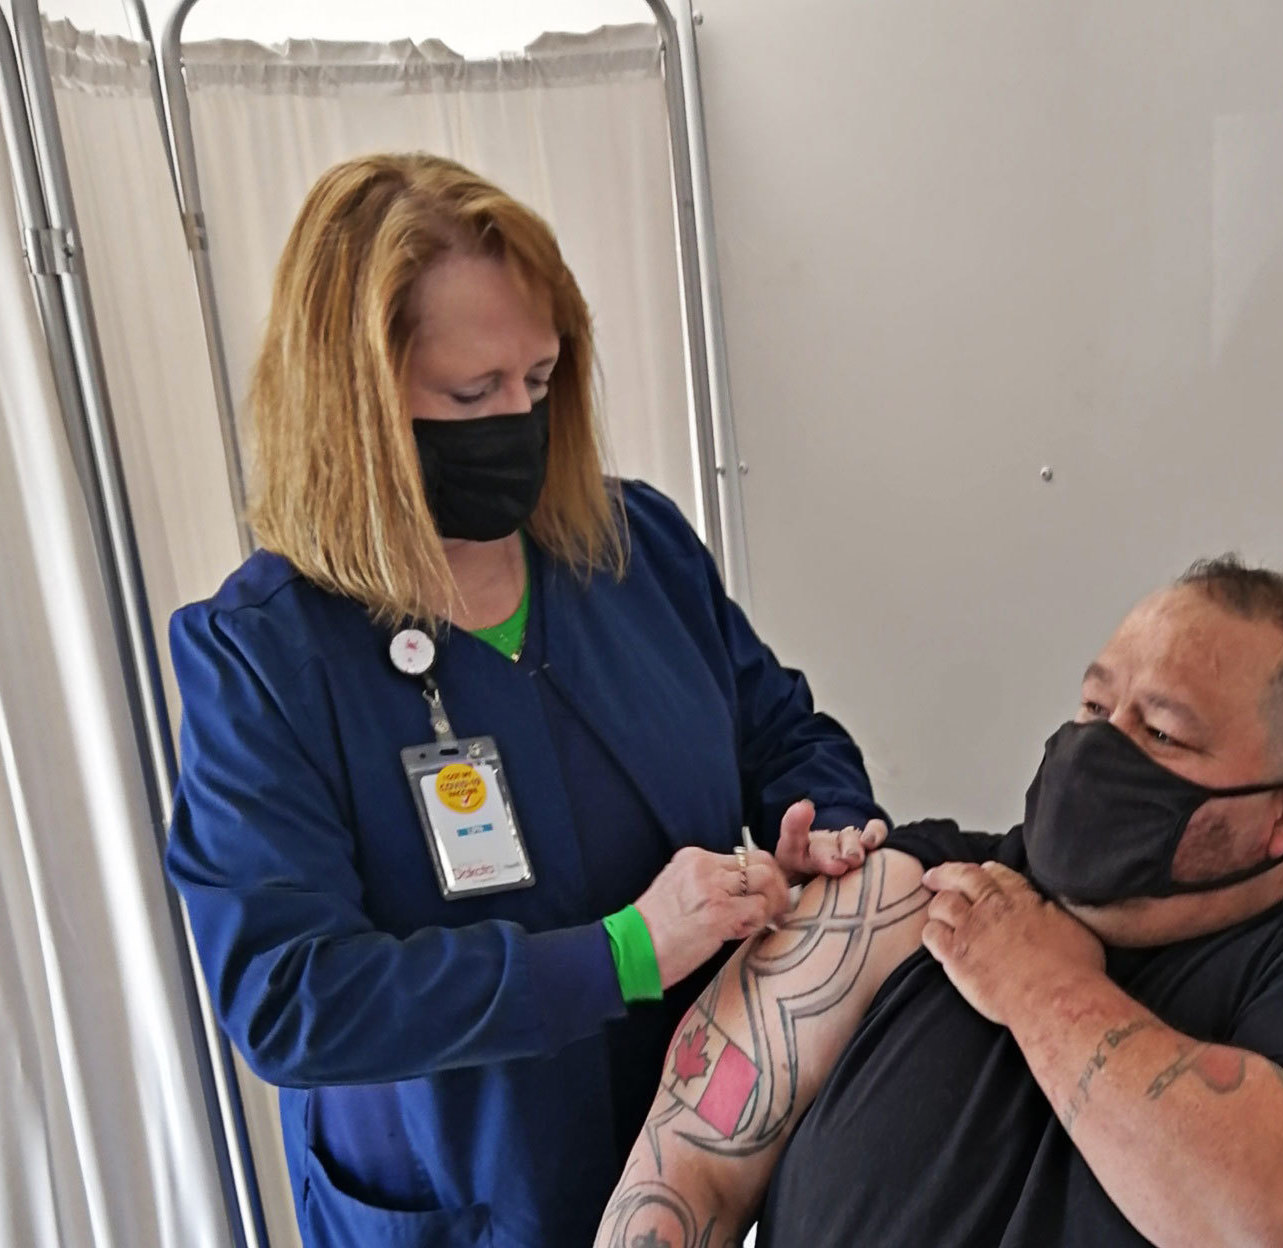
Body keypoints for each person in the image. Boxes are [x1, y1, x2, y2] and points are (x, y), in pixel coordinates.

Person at [164, 152, 888, 1247]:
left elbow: (784, 731)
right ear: (355, 401)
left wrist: (823, 830)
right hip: (468, 1196)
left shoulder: (632, 549)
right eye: (473, 393)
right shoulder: (265, 656)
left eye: (541, 383)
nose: (520, 420)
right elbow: (290, 995)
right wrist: (627, 951)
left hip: (700, 1149)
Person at [596, 557, 1283, 1248]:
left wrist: (1044, 992)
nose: (1094, 751)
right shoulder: (910, 887)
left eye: (1158, 732)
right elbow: (687, 1174)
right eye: (1092, 709)